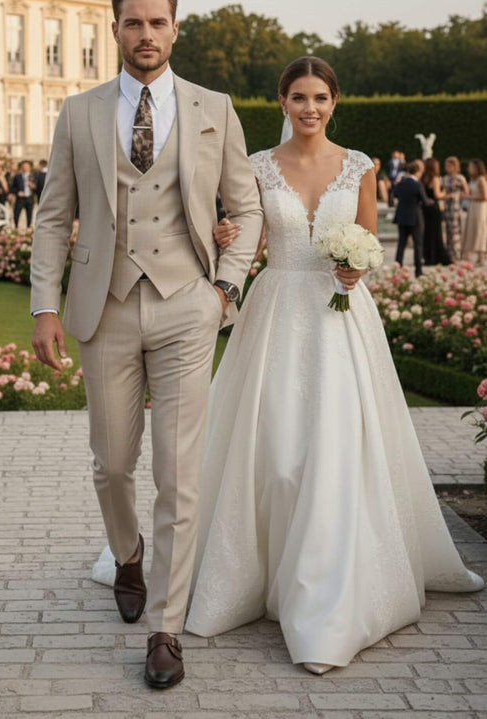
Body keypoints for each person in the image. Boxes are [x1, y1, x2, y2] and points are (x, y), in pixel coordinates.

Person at [184, 56, 483, 675]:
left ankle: (330, 590)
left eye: (320, 97)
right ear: (282, 102)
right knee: (276, 448)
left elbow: (370, 242)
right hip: (277, 316)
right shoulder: (258, 167)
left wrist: (357, 267)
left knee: (340, 445)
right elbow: (252, 243)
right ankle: (256, 570)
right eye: (298, 97)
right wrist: (223, 237)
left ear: (335, 101)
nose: (310, 108)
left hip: (343, 319)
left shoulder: (361, 167)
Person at [30, 0, 262, 690]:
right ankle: (126, 553)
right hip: (105, 305)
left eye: (157, 23)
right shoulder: (79, 112)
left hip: (187, 306)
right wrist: (44, 304)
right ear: (115, 29)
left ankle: (166, 625)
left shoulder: (213, 108)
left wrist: (224, 288)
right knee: (111, 461)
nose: (146, 36)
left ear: (174, 28)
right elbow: (50, 216)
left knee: (178, 472)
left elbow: (245, 206)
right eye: (133, 24)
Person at [393, 159, 433, 277]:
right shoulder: (417, 185)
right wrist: (433, 202)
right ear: (418, 171)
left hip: (401, 216)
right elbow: (425, 201)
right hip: (415, 217)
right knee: (418, 244)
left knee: (401, 244)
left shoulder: (401, 183)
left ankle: (397, 269)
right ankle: (418, 271)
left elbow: (394, 195)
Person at [421, 158, 450, 266]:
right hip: (434, 209)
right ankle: (438, 257)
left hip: (425, 209)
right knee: (436, 234)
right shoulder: (435, 178)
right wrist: (445, 192)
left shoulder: (423, 178)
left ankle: (429, 257)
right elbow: (437, 195)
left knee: (427, 234)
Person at [442, 156, 469, 262]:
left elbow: (466, 193)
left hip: (456, 207)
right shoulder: (444, 178)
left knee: (455, 231)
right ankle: (449, 254)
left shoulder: (460, 178)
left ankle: (456, 254)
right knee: (448, 231)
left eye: (449, 166)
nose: (447, 168)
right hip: (447, 207)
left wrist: (457, 195)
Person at [462, 158, 487, 266]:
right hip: (472, 207)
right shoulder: (473, 180)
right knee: (472, 229)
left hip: (480, 208)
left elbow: (484, 196)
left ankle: (481, 255)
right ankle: (471, 254)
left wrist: (468, 197)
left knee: (480, 229)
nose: (469, 169)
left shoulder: (481, 179)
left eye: (471, 167)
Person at [11, 160, 36, 228]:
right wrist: (17, 192)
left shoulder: (34, 176)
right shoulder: (17, 176)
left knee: (29, 214)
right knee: (16, 214)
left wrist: (32, 186)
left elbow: (38, 187)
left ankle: (28, 228)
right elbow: (13, 188)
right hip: (20, 199)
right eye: (24, 166)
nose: (25, 168)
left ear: (30, 167)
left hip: (30, 198)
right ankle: (16, 227)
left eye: (27, 166)